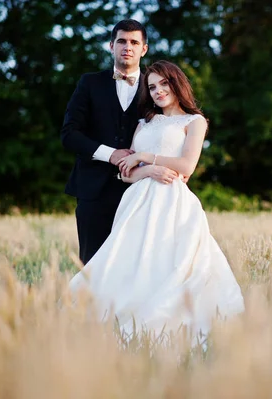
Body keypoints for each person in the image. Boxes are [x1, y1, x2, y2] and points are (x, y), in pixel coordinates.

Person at [68, 60, 245, 343]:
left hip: (172, 201)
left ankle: (168, 321)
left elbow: (186, 166)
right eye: (151, 87)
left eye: (164, 84)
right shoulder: (143, 123)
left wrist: (143, 157)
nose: (158, 91)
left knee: (170, 262)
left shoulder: (195, 122)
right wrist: (147, 169)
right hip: (136, 202)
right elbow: (126, 175)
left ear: (177, 84)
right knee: (132, 262)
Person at [61, 19, 181, 265]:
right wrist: (111, 154)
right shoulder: (89, 83)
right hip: (93, 190)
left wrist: (179, 167)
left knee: (137, 267)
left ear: (144, 49)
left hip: (143, 191)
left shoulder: (156, 87)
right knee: (92, 266)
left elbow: (176, 127)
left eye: (134, 42)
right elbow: (70, 134)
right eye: (122, 41)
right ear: (111, 46)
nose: (128, 47)